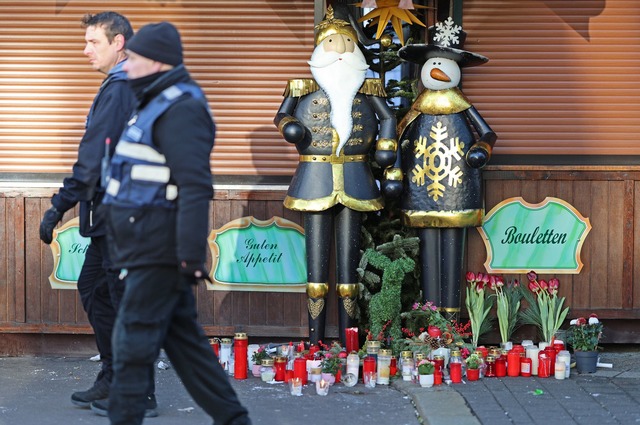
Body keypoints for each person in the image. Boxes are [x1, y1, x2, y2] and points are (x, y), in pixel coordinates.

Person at [102, 22, 252, 425]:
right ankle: (234, 420)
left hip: (160, 249)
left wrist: (188, 256)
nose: (126, 66)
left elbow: (195, 185)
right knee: (186, 345)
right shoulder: (155, 102)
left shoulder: (181, 108)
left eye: (132, 58)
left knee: (130, 345)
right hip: (146, 244)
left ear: (154, 61)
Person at [38, 11, 158, 417]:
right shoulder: (127, 83)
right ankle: (113, 376)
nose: (85, 49)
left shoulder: (123, 87)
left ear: (119, 42)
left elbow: (94, 159)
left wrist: (58, 206)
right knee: (95, 290)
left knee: (122, 303)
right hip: (116, 217)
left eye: (93, 42)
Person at [273, 6, 398, 345]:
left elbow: (388, 118)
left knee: (349, 270)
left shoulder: (367, 89)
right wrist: (291, 127)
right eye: (332, 41)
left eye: (346, 41)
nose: (340, 48)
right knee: (316, 269)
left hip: (356, 176)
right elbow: (281, 115)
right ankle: (314, 343)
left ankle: (349, 342)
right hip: (315, 177)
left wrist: (386, 145)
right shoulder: (301, 87)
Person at [396, 17, 497, 321]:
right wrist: (393, 169)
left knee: (452, 246)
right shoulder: (418, 107)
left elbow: (487, 133)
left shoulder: (461, 104)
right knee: (428, 247)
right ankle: (430, 318)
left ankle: (450, 320)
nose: (438, 70)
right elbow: (399, 138)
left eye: (444, 63)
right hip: (421, 187)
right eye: (433, 63)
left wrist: (482, 148)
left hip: (457, 186)